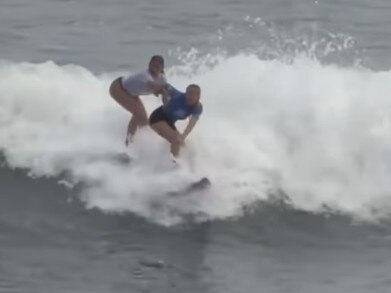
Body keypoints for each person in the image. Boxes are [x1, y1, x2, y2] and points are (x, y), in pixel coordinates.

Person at [109, 55, 166, 145]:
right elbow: (154, 87)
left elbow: (163, 91)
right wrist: (163, 90)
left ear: (162, 68)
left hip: (131, 93)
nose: (154, 68)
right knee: (140, 117)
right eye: (152, 65)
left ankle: (131, 142)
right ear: (149, 64)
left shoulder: (162, 78)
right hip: (118, 88)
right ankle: (130, 143)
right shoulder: (145, 76)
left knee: (143, 119)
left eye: (157, 67)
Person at [149, 83, 203, 159]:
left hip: (169, 122)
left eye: (193, 94)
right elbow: (164, 84)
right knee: (176, 140)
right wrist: (159, 92)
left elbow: (192, 123)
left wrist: (183, 136)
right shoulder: (177, 95)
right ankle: (173, 163)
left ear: (198, 97)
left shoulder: (198, 108)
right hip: (157, 117)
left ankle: (180, 163)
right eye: (188, 93)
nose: (190, 96)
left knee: (182, 144)